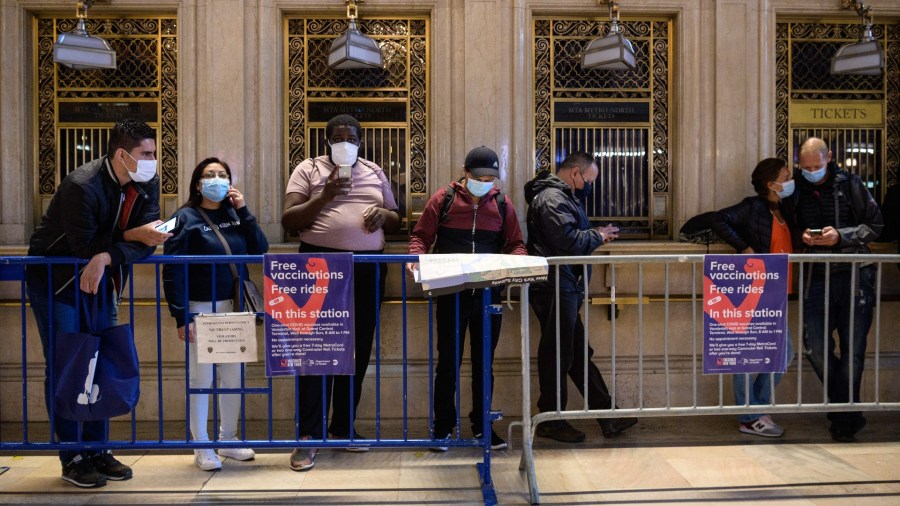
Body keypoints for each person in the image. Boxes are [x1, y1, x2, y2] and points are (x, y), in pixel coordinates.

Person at [26, 118, 170, 488]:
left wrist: (110, 255)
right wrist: (125, 239)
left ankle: (96, 447)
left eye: (154, 152)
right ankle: (72, 454)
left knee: (101, 360)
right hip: (57, 284)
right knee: (69, 363)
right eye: (146, 154)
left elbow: (146, 242)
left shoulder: (146, 182)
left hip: (101, 280)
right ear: (122, 155)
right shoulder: (82, 185)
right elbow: (83, 248)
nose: (154, 160)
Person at [281, 114, 400, 471]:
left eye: (350, 137)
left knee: (357, 346)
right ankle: (308, 436)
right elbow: (289, 220)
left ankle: (342, 426)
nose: (344, 142)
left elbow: (395, 217)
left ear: (360, 141)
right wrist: (325, 197)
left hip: (366, 267)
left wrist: (382, 215)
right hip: (319, 265)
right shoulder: (308, 169)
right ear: (327, 142)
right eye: (337, 137)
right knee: (315, 350)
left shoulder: (374, 170)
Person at [407, 146, 527, 451]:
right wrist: (414, 258)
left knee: (484, 363)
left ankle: (481, 427)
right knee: (448, 361)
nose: (486, 182)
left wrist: (520, 262)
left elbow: (515, 243)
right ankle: (443, 428)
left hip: (488, 293)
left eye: (491, 177)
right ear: (465, 172)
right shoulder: (443, 199)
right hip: (451, 291)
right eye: (480, 176)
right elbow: (421, 236)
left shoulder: (502, 203)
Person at [162, 157, 269, 471]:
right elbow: (172, 270)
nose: (217, 179)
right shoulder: (184, 218)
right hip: (201, 308)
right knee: (202, 378)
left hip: (235, 307)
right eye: (210, 175)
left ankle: (229, 439)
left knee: (233, 376)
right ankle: (202, 445)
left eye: (222, 174)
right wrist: (181, 316)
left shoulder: (235, 214)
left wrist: (244, 210)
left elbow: (260, 246)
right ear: (198, 184)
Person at [524, 151, 637, 443]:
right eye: (589, 179)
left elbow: (570, 235)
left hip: (563, 284)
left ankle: (608, 415)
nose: (590, 185)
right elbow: (567, 241)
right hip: (554, 285)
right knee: (559, 354)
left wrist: (595, 234)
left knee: (574, 353)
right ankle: (550, 418)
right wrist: (597, 237)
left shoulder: (561, 197)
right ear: (575, 173)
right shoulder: (552, 198)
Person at [793, 137, 882, 442]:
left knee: (853, 350)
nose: (811, 172)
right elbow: (788, 226)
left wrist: (840, 236)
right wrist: (802, 235)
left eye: (817, 166)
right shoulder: (795, 188)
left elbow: (875, 224)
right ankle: (849, 411)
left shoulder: (851, 184)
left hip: (855, 275)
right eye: (806, 168)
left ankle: (843, 418)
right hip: (816, 276)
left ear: (829, 157)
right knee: (814, 347)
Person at [709, 157, 798, 437]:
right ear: (771, 184)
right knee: (746, 355)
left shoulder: (783, 210)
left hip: (777, 293)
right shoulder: (754, 206)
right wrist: (744, 247)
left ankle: (756, 407)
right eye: (785, 175)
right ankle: (750, 416)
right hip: (755, 291)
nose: (789, 179)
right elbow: (718, 219)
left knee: (783, 353)